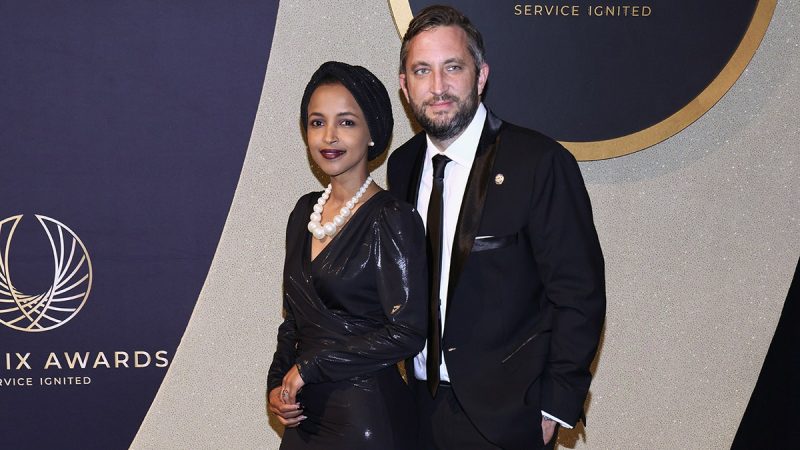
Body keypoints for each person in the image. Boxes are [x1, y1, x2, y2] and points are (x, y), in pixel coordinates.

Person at [387, 6, 606, 450]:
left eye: (453, 67)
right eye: (422, 71)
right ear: (405, 86)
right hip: (418, 409)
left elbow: (579, 293)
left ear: (481, 76)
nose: (438, 86)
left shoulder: (538, 163)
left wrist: (553, 407)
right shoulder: (402, 165)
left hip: (507, 418)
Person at [267, 61, 427, 449]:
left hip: (366, 420)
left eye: (347, 122)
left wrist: (311, 367)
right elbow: (294, 321)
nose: (329, 136)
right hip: (304, 417)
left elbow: (408, 332)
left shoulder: (392, 217)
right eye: (317, 122)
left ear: (373, 132)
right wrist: (276, 383)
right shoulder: (303, 212)